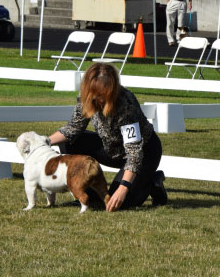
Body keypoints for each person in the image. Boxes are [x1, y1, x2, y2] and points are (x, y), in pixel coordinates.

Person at [47, 62, 167, 211]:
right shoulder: (86, 97)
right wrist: (44, 142)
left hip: (143, 153)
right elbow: (73, 128)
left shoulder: (126, 105)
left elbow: (134, 152)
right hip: (112, 148)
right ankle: (89, 194)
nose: (99, 99)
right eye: (95, 94)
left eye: (103, 94)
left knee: (120, 203)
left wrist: (123, 188)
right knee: (70, 143)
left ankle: (152, 183)